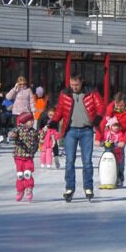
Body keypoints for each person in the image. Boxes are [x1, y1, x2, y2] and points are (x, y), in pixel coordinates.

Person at [47, 74, 105, 202]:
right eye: (72, 85)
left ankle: (88, 187)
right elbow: (60, 110)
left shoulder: (91, 92)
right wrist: (54, 121)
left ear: (81, 82)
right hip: (71, 131)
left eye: (76, 85)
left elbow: (101, 106)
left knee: (87, 161)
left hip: (86, 131)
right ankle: (69, 188)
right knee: (69, 161)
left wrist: (98, 117)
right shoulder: (65, 94)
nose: (74, 87)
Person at [100, 91, 126, 185]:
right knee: (118, 151)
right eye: (117, 105)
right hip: (119, 128)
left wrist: (124, 141)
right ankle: (119, 175)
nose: (118, 107)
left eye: (121, 105)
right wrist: (98, 137)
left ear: (125, 103)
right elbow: (104, 122)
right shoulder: (112, 106)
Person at [8, 112, 40, 201]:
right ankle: (20, 190)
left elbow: (39, 137)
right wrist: (12, 135)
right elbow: (13, 134)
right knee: (20, 175)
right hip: (19, 155)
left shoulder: (34, 131)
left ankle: (29, 189)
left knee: (27, 174)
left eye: (32, 120)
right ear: (24, 121)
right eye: (30, 120)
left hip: (29, 156)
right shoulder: (19, 129)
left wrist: (44, 133)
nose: (32, 122)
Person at [102, 117, 126, 187]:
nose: (116, 127)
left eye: (117, 126)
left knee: (119, 167)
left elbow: (121, 141)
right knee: (109, 166)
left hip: (118, 154)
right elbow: (104, 140)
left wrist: (119, 143)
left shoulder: (120, 134)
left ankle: (119, 178)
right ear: (110, 126)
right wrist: (103, 143)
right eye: (114, 126)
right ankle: (108, 178)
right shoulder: (107, 133)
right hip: (110, 153)